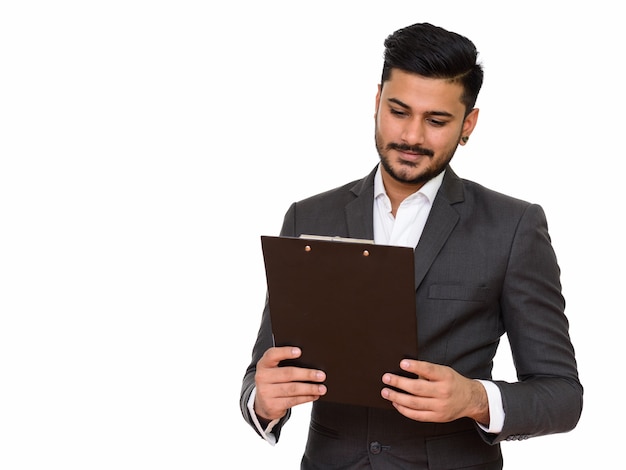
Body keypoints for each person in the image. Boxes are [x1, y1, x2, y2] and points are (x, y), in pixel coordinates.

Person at [240, 22, 583, 469]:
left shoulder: (514, 227)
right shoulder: (308, 218)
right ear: (377, 101)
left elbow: (562, 395)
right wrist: (263, 402)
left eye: (437, 120)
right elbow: (260, 373)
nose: (412, 137)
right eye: (398, 111)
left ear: (468, 123)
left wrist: (475, 398)